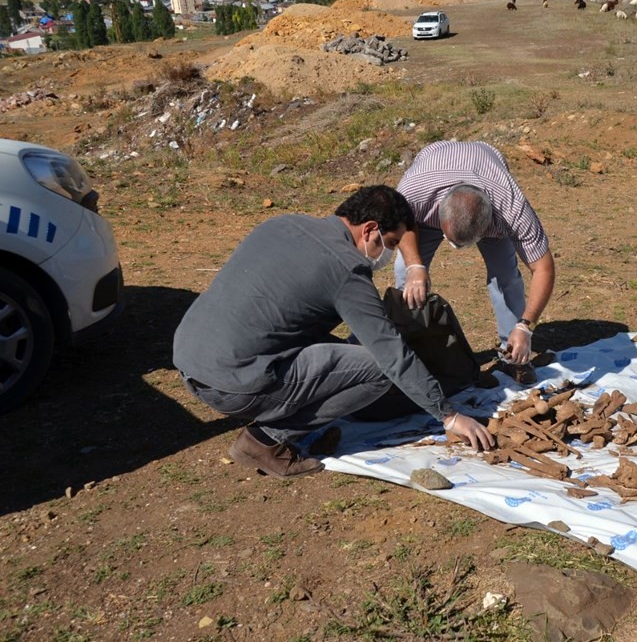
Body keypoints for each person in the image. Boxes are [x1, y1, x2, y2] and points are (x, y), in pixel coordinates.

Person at [173, 185, 495, 480]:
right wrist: (448, 415)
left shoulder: (284, 223)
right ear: (369, 229)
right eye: (392, 243)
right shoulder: (346, 269)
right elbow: (391, 355)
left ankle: (273, 421)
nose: (390, 253)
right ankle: (265, 440)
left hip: (189, 358)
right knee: (378, 371)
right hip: (232, 383)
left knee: (340, 355)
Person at [394, 141, 555, 376]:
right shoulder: (414, 193)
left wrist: (526, 326)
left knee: (506, 276)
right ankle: (410, 353)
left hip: (487, 166)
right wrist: (415, 266)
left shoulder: (510, 209)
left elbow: (543, 268)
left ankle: (513, 353)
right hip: (432, 173)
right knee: (404, 272)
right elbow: (398, 226)